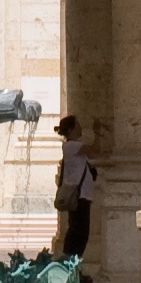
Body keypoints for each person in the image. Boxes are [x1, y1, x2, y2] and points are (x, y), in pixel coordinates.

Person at [50, 114, 96, 266]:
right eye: (77, 125)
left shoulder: (74, 147)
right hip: (79, 196)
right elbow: (93, 150)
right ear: (70, 129)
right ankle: (69, 265)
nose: (80, 128)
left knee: (79, 232)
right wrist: (97, 132)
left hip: (83, 195)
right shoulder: (71, 146)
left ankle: (73, 266)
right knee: (79, 232)